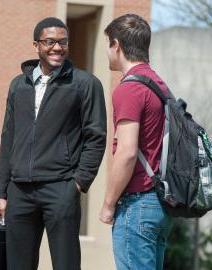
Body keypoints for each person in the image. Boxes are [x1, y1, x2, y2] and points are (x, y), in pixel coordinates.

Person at [0, 17, 107, 270]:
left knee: (66, 264)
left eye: (63, 42)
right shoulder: (18, 86)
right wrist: (1, 192)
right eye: (50, 42)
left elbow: (96, 137)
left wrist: (78, 183)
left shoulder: (85, 84)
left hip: (61, 188)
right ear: (36, 45)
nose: (58, 48)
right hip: (19, 191)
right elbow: (8, 137)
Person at [99, 14, 173, 270]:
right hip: (160, 204)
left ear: (116, 45)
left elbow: (128, 152)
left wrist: (108, 205)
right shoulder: (158, 84)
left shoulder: (129, 89)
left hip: (137, 204)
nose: (108, 51)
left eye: (108, 44)